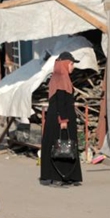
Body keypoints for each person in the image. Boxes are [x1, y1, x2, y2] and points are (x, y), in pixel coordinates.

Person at [39, 52, 82, 186]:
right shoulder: (62, 78)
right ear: (65, 64)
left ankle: (51, 175)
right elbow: (61, 101)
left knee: (53, 144)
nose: (72, 67)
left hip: (53, 117)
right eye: (71, 64)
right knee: (63, 146)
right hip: (61, 119)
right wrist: (63, 120)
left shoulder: (55, 77)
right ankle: (61, 176)